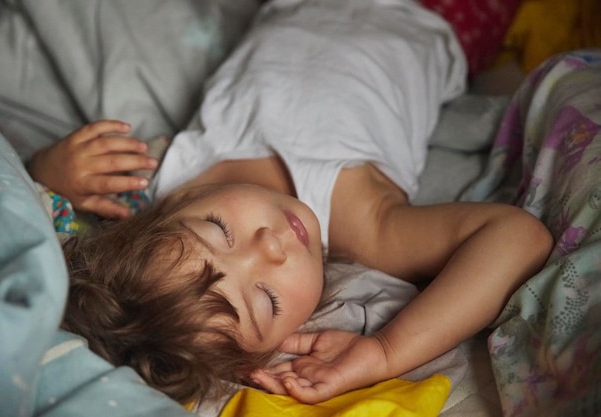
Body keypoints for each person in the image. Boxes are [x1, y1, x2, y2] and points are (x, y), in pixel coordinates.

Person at [27, 0, 553, 406]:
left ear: (163, 212)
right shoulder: (363, 224)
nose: (270, 246)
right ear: (281, 342)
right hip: (429, 13)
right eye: (267, 301)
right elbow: (518, 237)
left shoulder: (158, 181)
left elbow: (52, 225)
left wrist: (48, 170)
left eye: (217, 229)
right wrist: (386, 351)